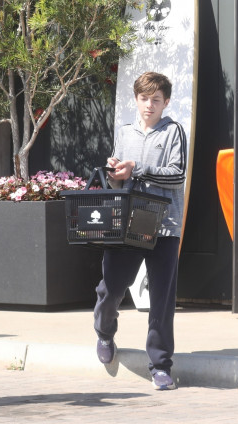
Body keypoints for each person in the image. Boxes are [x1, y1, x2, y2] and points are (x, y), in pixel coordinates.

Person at [94, 72, 186, 390]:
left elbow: (177, 174)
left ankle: (160, 366)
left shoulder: (174, 131)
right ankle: (104, 332)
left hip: (165, 224)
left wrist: (138, 169)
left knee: (161, 299)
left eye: (156, 100)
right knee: (111, 289)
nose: (150, 105)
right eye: (144, 99)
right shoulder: (124, 133)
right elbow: (119, 183)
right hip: (129, 221)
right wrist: (115, 173)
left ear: (166, 102)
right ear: (136, 100)